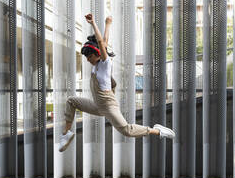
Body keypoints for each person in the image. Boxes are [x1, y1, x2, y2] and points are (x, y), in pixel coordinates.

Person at [59, 14, 175, 152]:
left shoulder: (105, 64)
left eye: (90, 56)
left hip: (108, 105)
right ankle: (66, 134)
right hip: (97, 106)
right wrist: (107, 24)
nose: (88, 59)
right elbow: (104, 42)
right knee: (71, 101)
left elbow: (102, 43)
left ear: (97, 54)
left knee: (127, 130)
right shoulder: (96, 66)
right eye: (87, 57)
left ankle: (157, 131)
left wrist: (93, 23)